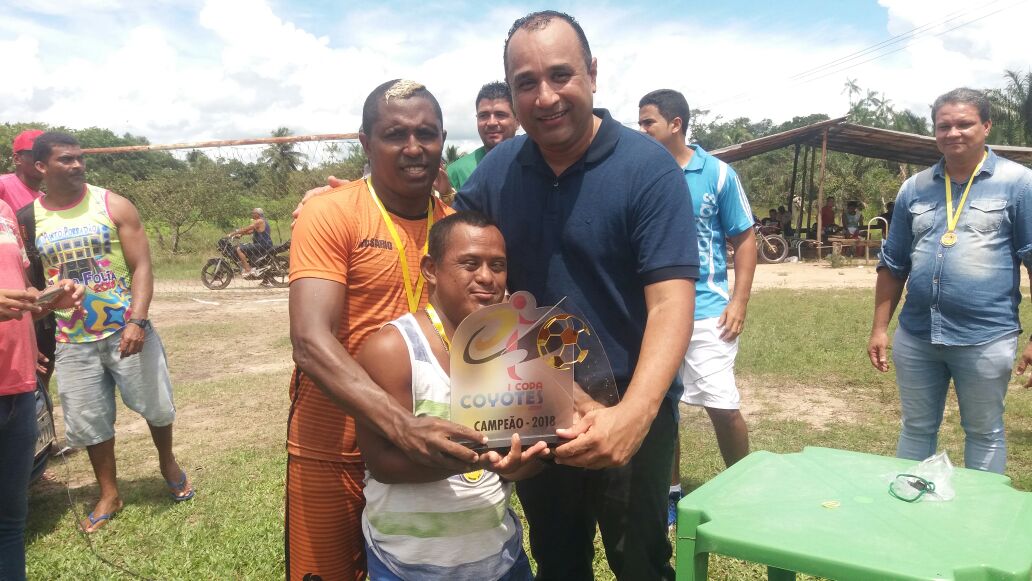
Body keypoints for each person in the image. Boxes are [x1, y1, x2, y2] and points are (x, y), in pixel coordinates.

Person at [455, 12, 699, 580]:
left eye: (561, 75)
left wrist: (633, 417)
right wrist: (359, 194)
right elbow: (442, 248)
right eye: (525, 83)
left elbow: (670, 302)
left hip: (631, 406)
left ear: (592, 73)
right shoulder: (496, 174)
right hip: (536, 409)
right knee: (558, 559)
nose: (545, 97)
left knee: (641, 562)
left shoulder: (647, 170)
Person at [287, 79, 486, 581]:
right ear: (365, 142)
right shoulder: (330, 213)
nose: (414, 148)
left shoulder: (455, 224)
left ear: (444, 140)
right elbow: (311, 340)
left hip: (424, 450)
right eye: (395, 134)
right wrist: (399, 424)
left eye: (427, 133)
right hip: (335, 443)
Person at [356, 211, 546, 580]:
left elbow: (527, 457)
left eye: (498, 265)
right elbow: (381, 463)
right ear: (430, 269)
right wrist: (481, 460)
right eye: (470, 263)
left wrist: (522, 462)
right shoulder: (393, 350)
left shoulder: (515, 350)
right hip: (408, 566)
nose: (487, 278)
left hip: (498, 559)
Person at [25, 132, 192, 534]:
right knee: (89, 421)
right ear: (41, 167)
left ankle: (167, 462)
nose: (77, 165)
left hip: (126, 330)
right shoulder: (28, 218)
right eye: (66, 160)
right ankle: (109, 492)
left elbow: (142, 267)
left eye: (80, 158)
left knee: (156, 405)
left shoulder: (112, 204)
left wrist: (137, 319)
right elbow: (30, 283)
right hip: (70, 337)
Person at [868, 87, 1032, 475]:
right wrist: (879, 328)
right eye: (944, 126)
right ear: (935, 131)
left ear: (986, 126)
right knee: (916, 428)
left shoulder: (1019, 184)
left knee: (984, 431)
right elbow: (893, 264)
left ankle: (979, 525)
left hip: (985, 336)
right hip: (917, 335)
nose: (953, 133)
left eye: (964, 124)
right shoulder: (915, 187)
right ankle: (910, 511)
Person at [638, 88, 757, 529]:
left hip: (708, 311)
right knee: (661, 408)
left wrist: (739, 300)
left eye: (648, 122)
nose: (642, 130)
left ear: (676, 124)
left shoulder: (719, 174)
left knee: (722, 406)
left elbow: (744, 238)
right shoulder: (642, 174)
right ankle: (670, 495)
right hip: (656, 313)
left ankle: (744, 485)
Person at [1, 198, 81, 581]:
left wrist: (48, 301)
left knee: (9, 526)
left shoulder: (3, 212)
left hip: (17, 385)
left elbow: (17, 298)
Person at [2, 130, 57, 384]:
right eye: (33, 154)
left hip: (34, 281)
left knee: (44, 362)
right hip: (8, 290)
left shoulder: (46, 201)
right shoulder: (5, 185)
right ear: (17, 158)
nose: (40, 159)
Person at [445, 81, 521, 193]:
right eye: (483, 116)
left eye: (500, 114)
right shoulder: (457, 172)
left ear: (517, 120)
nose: (491, 122)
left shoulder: (539, 163)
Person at [229, 207, 274, 278]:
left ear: (257, 214)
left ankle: (248, 269)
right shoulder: (263, 221)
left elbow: (247, 228)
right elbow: (250, 231)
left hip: (262, 244)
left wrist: (233, 233)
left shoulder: (259, 221)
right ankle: (263, 278)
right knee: (244, 246)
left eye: (253, 213)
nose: (252, 214)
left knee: (239, 249)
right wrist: (241, 234)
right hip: (264, 244)